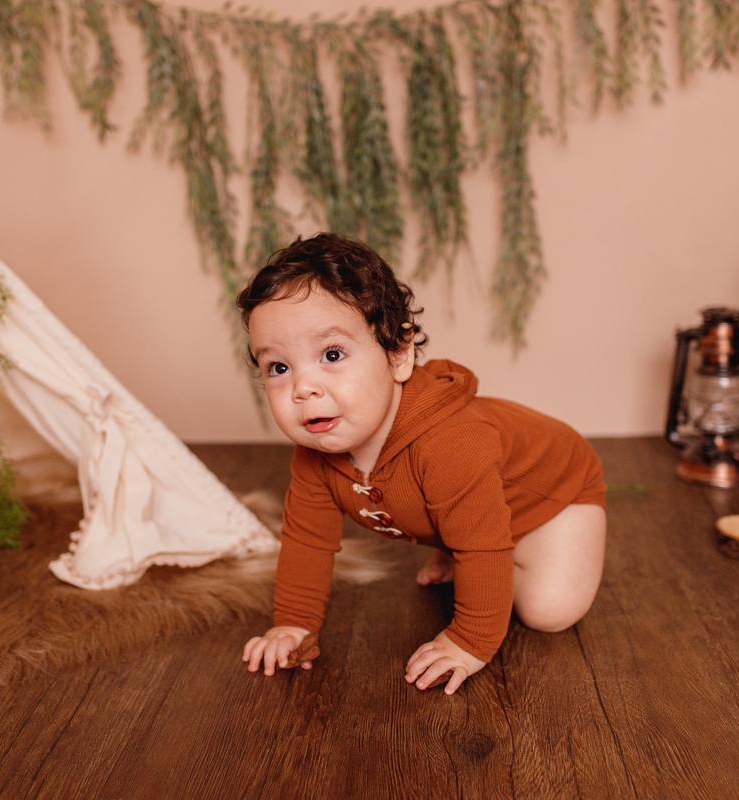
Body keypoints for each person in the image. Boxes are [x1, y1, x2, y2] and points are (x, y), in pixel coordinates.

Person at [238, 233, 606, 695]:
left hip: (553, 489)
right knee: (469, 527)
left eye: (331, 355)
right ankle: (461, 538)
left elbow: (483, 549)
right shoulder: (317, 454)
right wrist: (292, 624)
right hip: (476, 506)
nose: (302, 388)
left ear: (398, 353)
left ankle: (503, 544)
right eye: (278, 367)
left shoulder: (451, 445)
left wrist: (468, 641)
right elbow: (306, 540)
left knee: (549, 610)